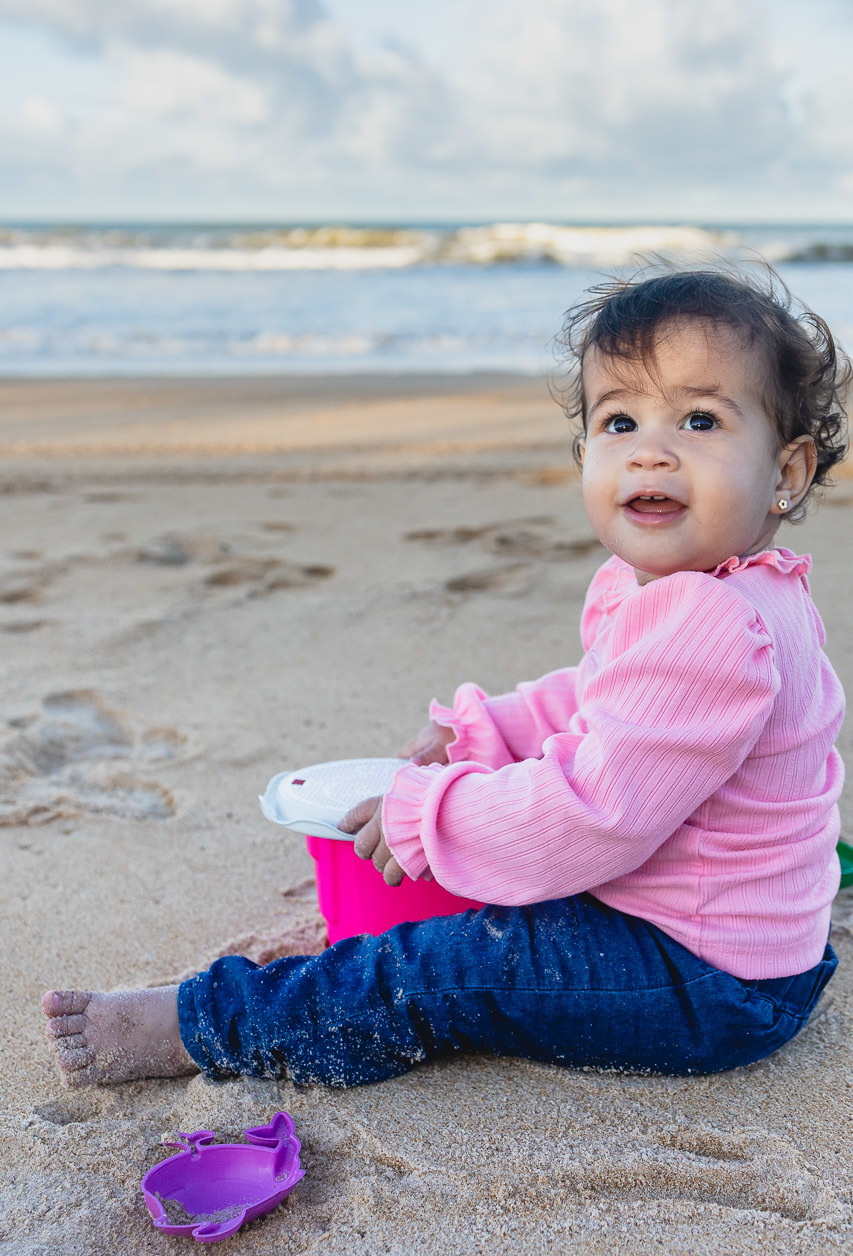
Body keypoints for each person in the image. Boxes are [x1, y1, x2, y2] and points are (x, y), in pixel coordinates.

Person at [44, 265, 848, 1090]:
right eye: (618, 421)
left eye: (700, 419)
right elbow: (606, 699)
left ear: (784, 473)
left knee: (433, 970)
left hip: (707, 983)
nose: (649, 449)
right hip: (730, 945)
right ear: (582, 453)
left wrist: (432, 815)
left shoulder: (712, 623)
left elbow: (593, 814)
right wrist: (486, 732)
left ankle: (201, 1025)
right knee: (480, 915)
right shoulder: (690, 589)